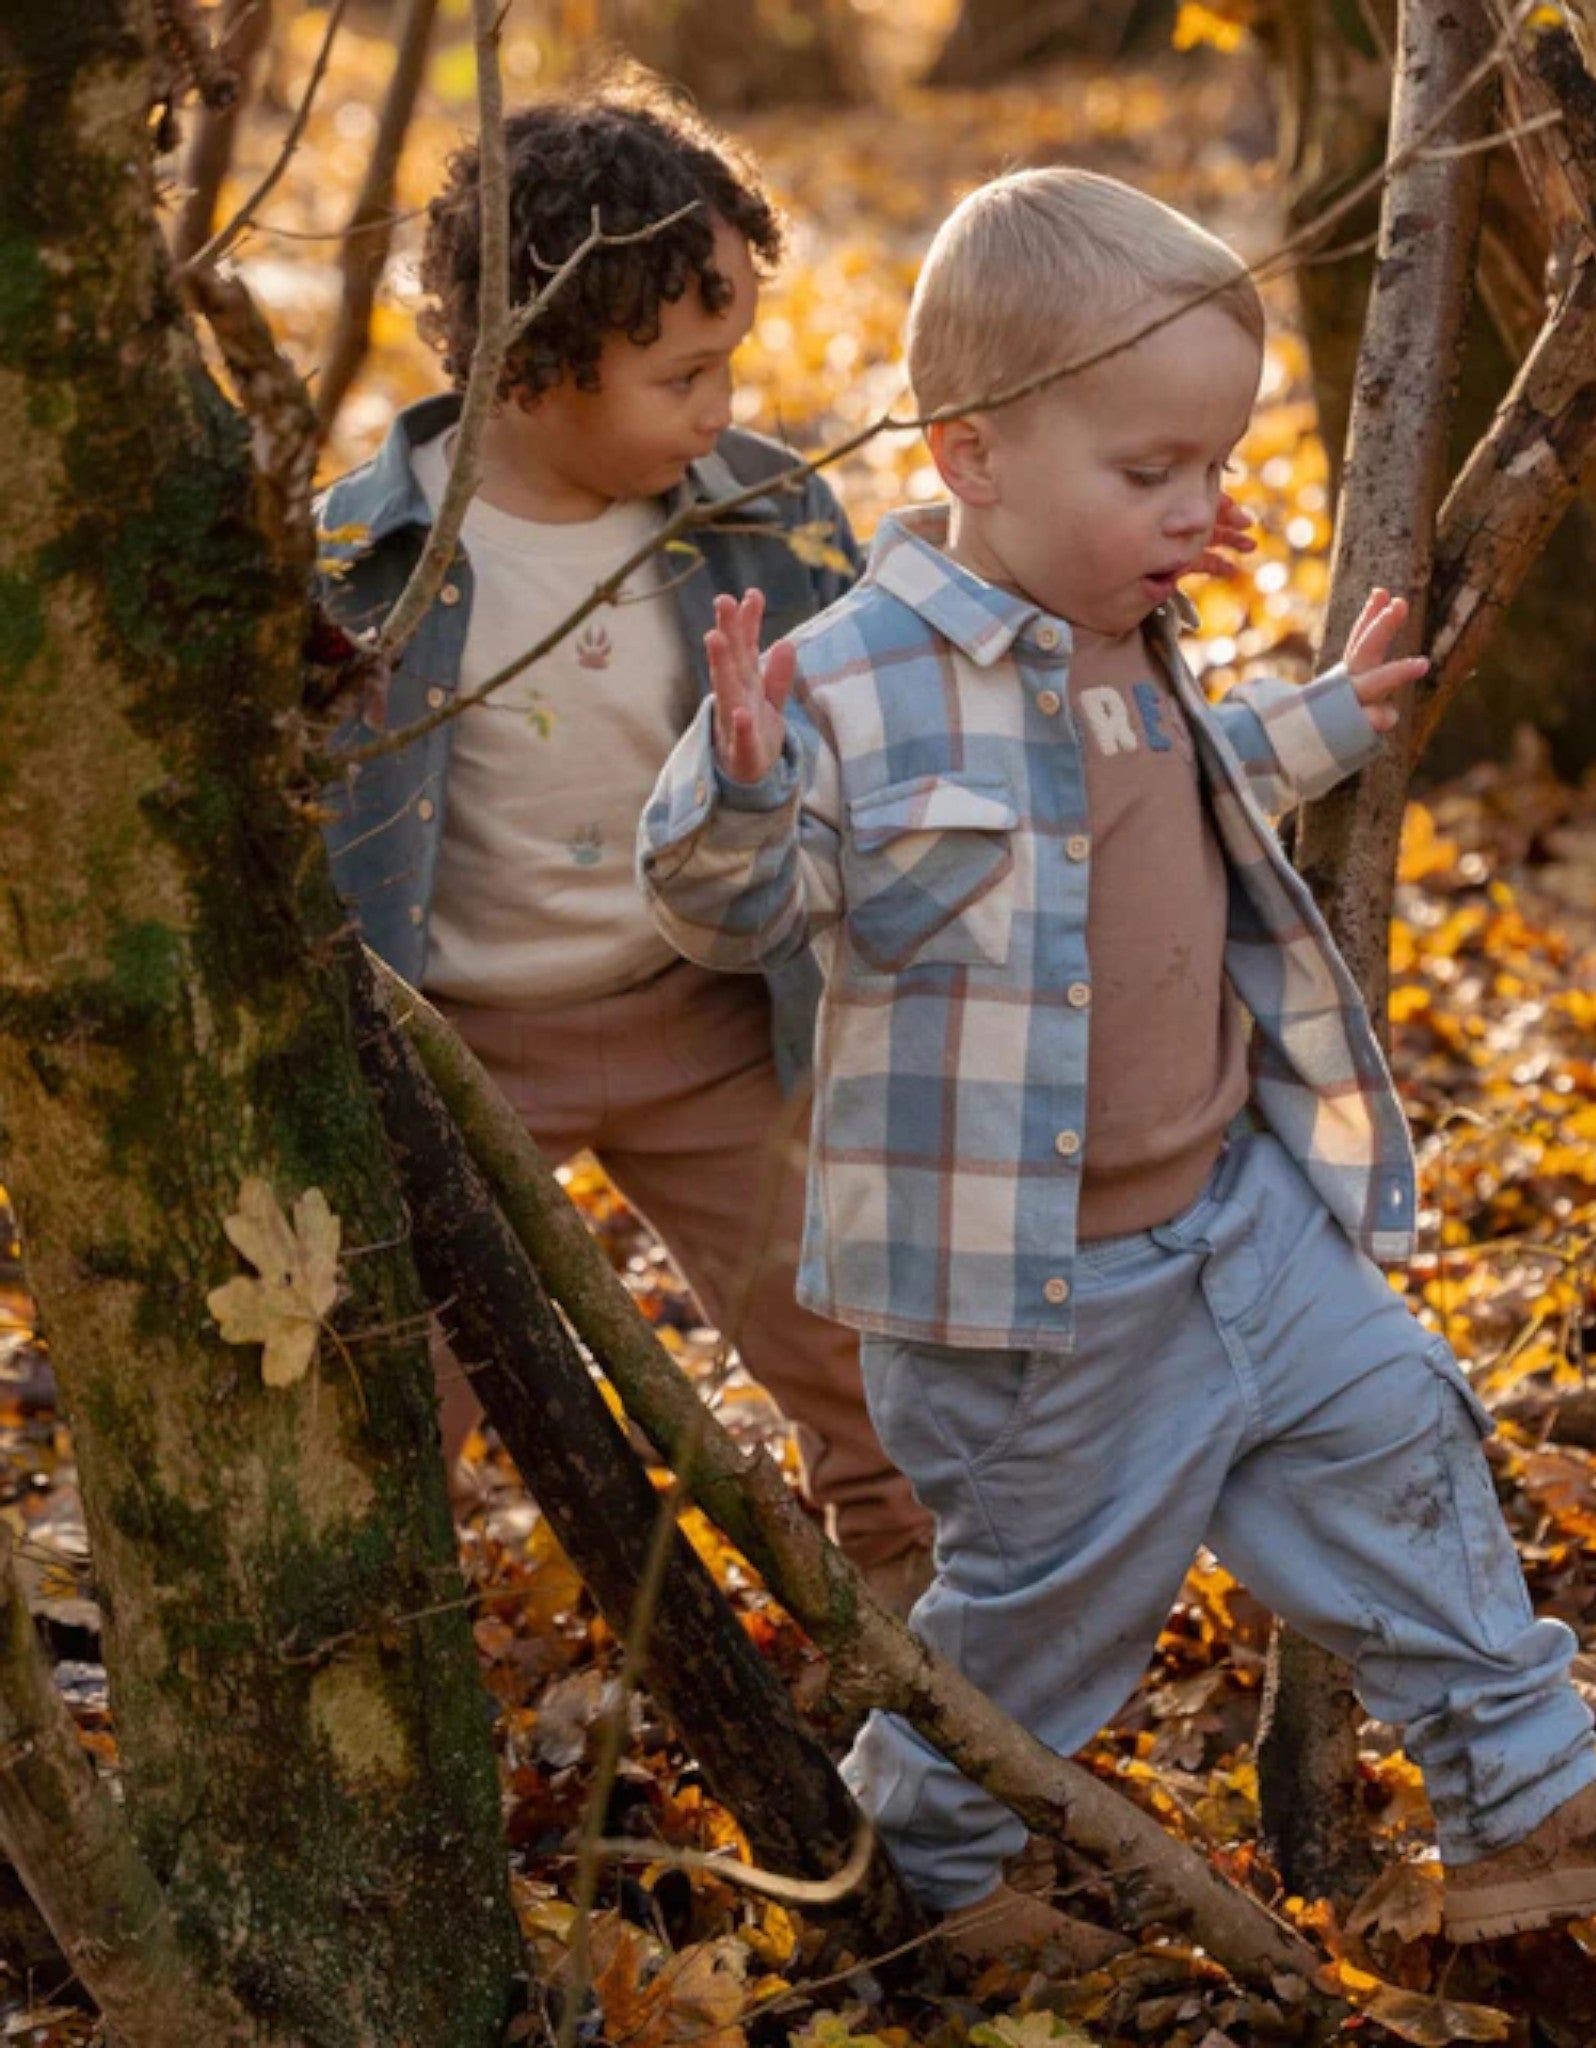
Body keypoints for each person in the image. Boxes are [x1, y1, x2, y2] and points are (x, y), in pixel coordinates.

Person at [637, 167, 1596, 1954]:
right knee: (1047, 1616)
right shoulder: (846, 686)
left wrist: (1327, 717)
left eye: (1215, 468)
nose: (1201, 510)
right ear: (972, 453)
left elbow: (1184, 790)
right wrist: (733, 777)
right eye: (1150, 473)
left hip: (1236, 1216)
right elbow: (734, 913)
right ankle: (916, 1882)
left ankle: (1528, 1799)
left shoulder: (1132, 640)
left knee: (1404, 1438)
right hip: (1034, 1301)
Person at [316, 76, 935, 1609]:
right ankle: (385, 1679)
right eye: (683, 376)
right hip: (458, 1051)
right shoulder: (354, 565)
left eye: (730, 365)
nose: (723, 409)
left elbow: (872, 729)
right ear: (536, 359)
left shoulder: (767, 523)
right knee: (386, 1403)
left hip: (715, 1020)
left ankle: (937, 1671)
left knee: (869, 1367)